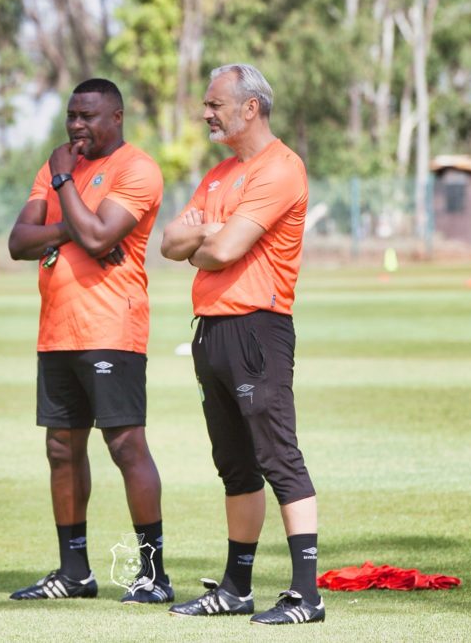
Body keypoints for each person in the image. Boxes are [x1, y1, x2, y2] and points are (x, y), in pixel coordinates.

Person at [160, 64, 324, 625]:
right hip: (212, 331)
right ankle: (236, 588)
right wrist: (207, 232)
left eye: (215, 104)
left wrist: (207, 234)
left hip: (258, 328)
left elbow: (220, 250)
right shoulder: (220, 174)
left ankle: (307, 595)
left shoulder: (281, 169)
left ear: (249, 107)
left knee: (279, 456)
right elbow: (170, 241)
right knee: (234, 465)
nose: (206, 113)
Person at [7, 78, 173, 604]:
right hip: (57, 327)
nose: (77, 126)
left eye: (89, 116)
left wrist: (64, 188)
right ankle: (73, 572)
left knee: (125, 445)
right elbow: (18, 242)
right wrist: (71, 225)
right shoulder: (55, 168)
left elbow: (103, 236)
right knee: (61, 448)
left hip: (111, 328)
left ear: (117, 117)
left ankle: (154, 574)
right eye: (71, 115)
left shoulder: (136, 169)